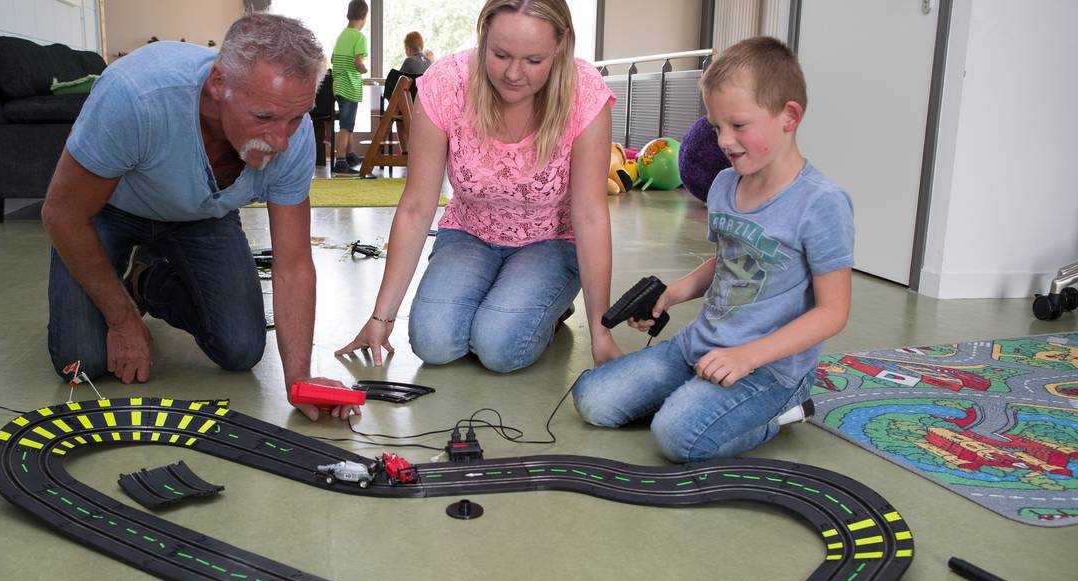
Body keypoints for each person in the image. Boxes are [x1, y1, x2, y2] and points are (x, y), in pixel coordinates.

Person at [42, 13, 358, 420]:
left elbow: (294, 264)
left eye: (296, 118)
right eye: (264, 117)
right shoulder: (135, 96)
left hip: (203, 215)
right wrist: (120, 320)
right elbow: (62, 214)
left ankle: (146, 281)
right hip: (110, 210)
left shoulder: (290, 136)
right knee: (82, 362)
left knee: (241, 347)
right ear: (217, 84)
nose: (282, 140)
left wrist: (299, 378)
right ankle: (125, 299)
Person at [571, 36, 854, 462]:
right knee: (592, 399)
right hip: (699, 346)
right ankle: (696, 401)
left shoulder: (821, 203)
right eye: (716, 126)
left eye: (738, 125)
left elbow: (833, 312)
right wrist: (672, 294)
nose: (724, 140)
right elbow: (729, 260)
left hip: (769, 369)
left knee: (676, 437)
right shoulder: (725, 184)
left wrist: (747, 355)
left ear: (789, 116)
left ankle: (781, 414)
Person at [336, 0, 622, 373]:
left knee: (500, 349)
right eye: (501, 55)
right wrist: (381, 318)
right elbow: (416, 206)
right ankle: (514, 298)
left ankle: (547, 304)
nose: (514, 74)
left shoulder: (584, 91)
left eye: (534, 61)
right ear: (484, 33)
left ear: (561, 44)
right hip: (469, 234)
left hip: (550, 242)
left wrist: (602, 330)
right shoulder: (446, 83)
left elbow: (590, 214)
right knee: (432, 343)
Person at [330, 0, 369, 175]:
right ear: (364, 17)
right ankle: (340, 161)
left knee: (349, 124)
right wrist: (364, 69)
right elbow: (358, 62)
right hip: (350, 86)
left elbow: (332, 60)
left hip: (338, 85)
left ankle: (350, 155)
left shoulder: (341, 36)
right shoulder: (359, 37)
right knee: (346, 126)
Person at [392, 31, 433, 154]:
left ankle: (405, 151)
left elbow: (398, 83)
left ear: (407, 48)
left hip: (408, 105)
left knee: (399, 121)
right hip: (424, 107)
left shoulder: (408, 61)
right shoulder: (428, 62)